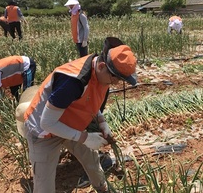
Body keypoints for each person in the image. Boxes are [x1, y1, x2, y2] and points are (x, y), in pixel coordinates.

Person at [22, 37, 137, 192]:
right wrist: (84, 138)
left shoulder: (103, 75)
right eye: (115, 79)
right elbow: (47, 122)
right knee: (44, 186)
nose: (116, 83)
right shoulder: (73, 82)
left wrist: (102, 122)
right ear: (102, 66)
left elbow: (89, 99)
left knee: (92, 159)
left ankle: (103, 188)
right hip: (43, 131)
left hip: (70, 124)